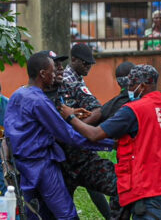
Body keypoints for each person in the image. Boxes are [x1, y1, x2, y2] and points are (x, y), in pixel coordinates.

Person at [60, 64, 161, 219]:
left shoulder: (133, 110)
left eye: (131, 85)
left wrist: (70, 117)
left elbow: (94, 134)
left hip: (150, 187)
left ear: (143, 85)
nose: (129, 90)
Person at [3, 52, 114, 219]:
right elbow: (68, 135)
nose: (56, 74)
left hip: (22, 167)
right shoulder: (39, 100)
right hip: (43, 166)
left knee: (36, 213)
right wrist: (109, 143)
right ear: (43, 74)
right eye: (52, 71)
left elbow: (10, 133)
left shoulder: (18, 95)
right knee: (66, 213)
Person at [42, 50, 121, 219]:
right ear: (44, 70)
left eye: (61, 65)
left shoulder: (71, 88)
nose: (60, 69)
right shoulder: (34, 96)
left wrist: (75, 126)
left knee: (122, 186)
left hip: (84, 159)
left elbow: (97, 109)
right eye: (55, 66)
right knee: (56, 213)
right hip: (56, 166)